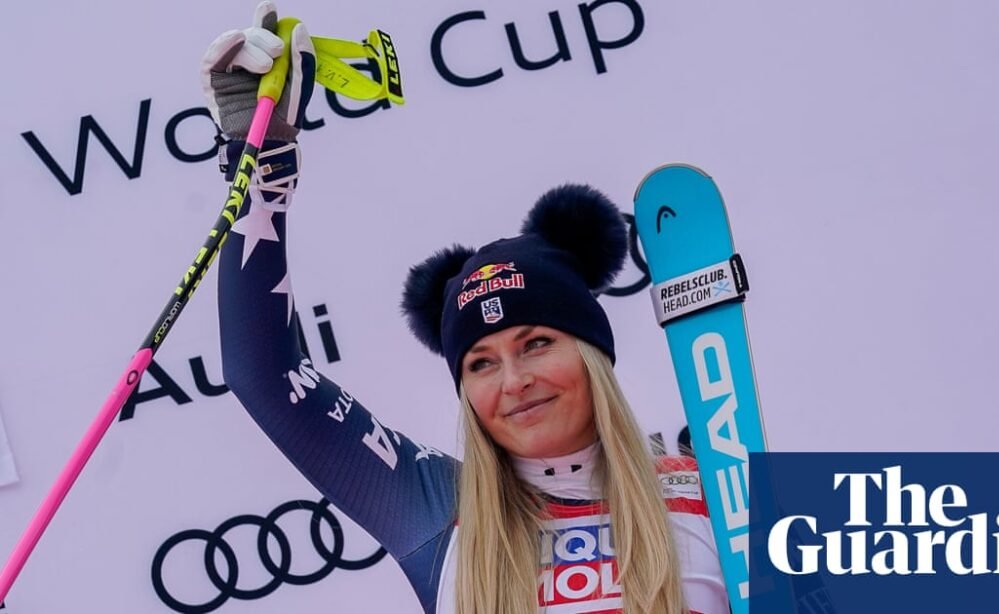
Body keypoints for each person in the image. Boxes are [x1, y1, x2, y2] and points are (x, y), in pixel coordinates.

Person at [205, 3, 728, 613]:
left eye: (537, 343)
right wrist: (258, 163)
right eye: (481, 363)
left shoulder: (719, 486)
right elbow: (264, 375)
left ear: (592, 354)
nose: (514, 381)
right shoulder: (435, 507)